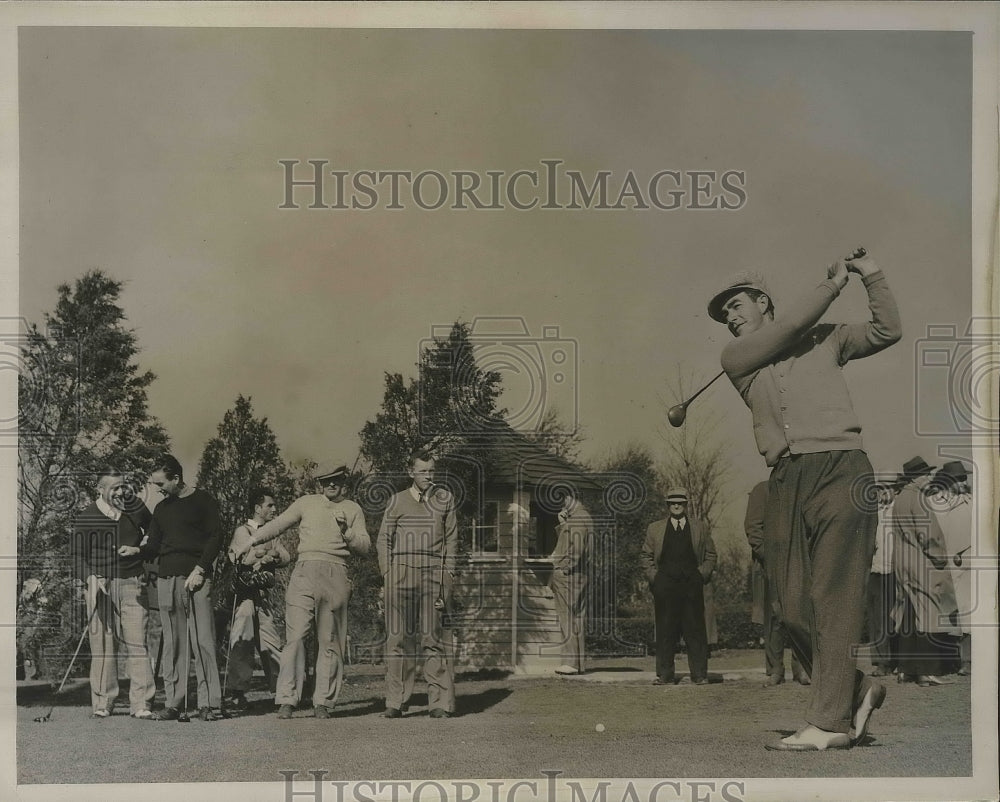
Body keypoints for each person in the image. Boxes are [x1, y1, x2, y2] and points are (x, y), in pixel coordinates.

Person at [707, 247, 900, 750]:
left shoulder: (825, 338)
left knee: (834, 599)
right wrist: (832, 285)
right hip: (786, 480)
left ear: (762, 300)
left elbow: (887, 329)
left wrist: (869, 275)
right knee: (791, 607)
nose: (729, 317)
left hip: (842, 468)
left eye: (736, 304)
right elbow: (789, 328)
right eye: (723, 312)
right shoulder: (737, 358)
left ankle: (829, 724)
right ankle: (856, 690)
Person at [234, 464, 370, 719]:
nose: (331, 485)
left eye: (336, 480)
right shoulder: (306, 502)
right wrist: (251, 541)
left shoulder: (353, 509)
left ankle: (323, 702)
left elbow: (364, 546)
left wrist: (347, 532)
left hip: (336, 571)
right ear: (319, 484)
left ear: (344, 482)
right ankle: (287, 699)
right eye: (326, 481)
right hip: (304, 571)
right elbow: (278, 524)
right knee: (295, 637)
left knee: (329, 640)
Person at [122, 454, 224, 721]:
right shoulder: (162, 509)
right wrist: (136, 550)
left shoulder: (204, 501)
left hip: (196, 577)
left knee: (203, 641)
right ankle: (174, 703)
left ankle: (210, 704)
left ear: (176, 478)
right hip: (168, 579)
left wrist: (200, 569)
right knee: (174, 645)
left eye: (160, 483)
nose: (157, 489)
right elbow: (154, 545)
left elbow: (216, 537)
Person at [377, 451, 458, 718]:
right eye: (422, 471)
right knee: (397, 639)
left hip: (433, 573)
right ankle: (395, 701)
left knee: (431, 638)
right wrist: (388, 575)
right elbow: (383, 541)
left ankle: (438, 703)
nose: (428, 476)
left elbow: (451, 542)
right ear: (411, 472)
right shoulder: (396, 501)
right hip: (400, 573)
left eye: (431, 471)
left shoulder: (445, 499)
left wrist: (447, 578)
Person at [71, 470, 156, 719]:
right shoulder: (87, 516)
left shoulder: (135, 507)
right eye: (114, 488)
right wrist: (90, 578)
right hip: (99, 587)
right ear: (100, 488)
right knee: (104, 646)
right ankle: (103, 702)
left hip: (132, 582)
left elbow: (154, 531)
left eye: (122, 487)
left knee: (137, 643)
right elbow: (76, 556)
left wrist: (141, 548)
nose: (120, 493)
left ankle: (141, 703)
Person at [892, 457, 961, 686]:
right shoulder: (919, 499)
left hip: (901, 560)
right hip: (920, 561)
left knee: (909, 615)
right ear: (916, 477)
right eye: (926, 474)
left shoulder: (900, 498)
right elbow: (929, 535)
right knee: (929, 614)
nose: (929, 477)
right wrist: (941, 557)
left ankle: (905, 669)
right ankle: (926, 671)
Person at [224, 487, 295, 711]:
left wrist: (271, 554)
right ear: (257, 508)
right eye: (269, 506)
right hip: (244, 595)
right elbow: (240, 558)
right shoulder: (242, 531)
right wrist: (265, 553)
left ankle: (283, 692)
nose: (274, 509)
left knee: (271, 642)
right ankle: (237, 693)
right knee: (242, 641)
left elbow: (285, 556)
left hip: (262, 595)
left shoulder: (272, 532)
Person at [642, 487, 716, 685]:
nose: (676, 505)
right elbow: (646, 556)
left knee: (695, 630)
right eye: (673, 502)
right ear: (668, 505)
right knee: (666, 631)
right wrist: (655, 578)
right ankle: (665, 675)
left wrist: (702, 574)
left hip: (692, 585)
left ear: (686, 505)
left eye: (680, 502)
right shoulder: (654, 528)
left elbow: (710, 554)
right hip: (665, 585)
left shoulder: (700, 527)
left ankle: (699, 675)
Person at [743, 481, 808, 687]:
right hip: (769, 566)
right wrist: (769, 557)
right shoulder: (762, 490)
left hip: (797, 563)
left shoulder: (800, 488)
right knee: (774, 618)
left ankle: (802, 669)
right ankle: (775, 670)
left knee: (799, 617)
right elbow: (753, 528)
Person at [929, 461, 973, 675]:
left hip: (967, 564)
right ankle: (949, 661)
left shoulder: (971, 503)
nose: (964, 482)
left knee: (967, 611)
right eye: (959, 479)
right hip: (945, 564)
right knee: (947, 612)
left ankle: (966, 661)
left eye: (964, 478)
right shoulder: (938, 503)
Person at [548, 486, 595, 676]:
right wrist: (562, 523)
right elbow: (570, 542)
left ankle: (570, 662)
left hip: (570, 576)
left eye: (562, 498)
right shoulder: (583, 517)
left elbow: (576, 549)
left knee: (566, 617)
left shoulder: (578, 518)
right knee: (576, 618)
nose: (561, 503)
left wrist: (564, 567)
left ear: (569, 498)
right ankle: (578, 663)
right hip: (580, 575)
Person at [867, 480, 899, 677]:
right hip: (875, 570)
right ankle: (881, 661)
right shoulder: (872, 512)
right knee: (877, 619)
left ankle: (898, 661)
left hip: (895, 571)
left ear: (896, 489)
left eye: (887, 488)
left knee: (897, 618)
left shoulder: (900, 510)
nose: (882, 492)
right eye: (879, 489)